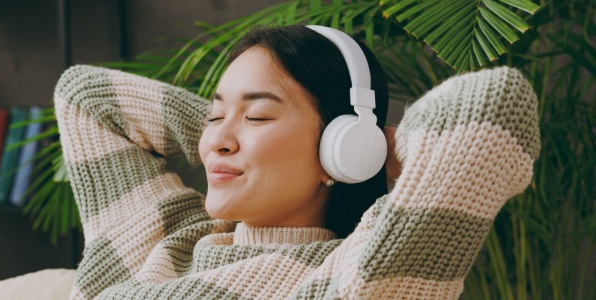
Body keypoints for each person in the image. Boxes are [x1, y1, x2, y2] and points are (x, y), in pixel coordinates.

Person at [54, 25, 539, 299]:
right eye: (214, 113)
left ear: (339, 147)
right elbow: (86, 99)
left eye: (260, 116)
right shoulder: (165, 235)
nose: (217, 137)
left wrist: (370, 149)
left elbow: (493, 108)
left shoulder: (357, 275)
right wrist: (226, 134)